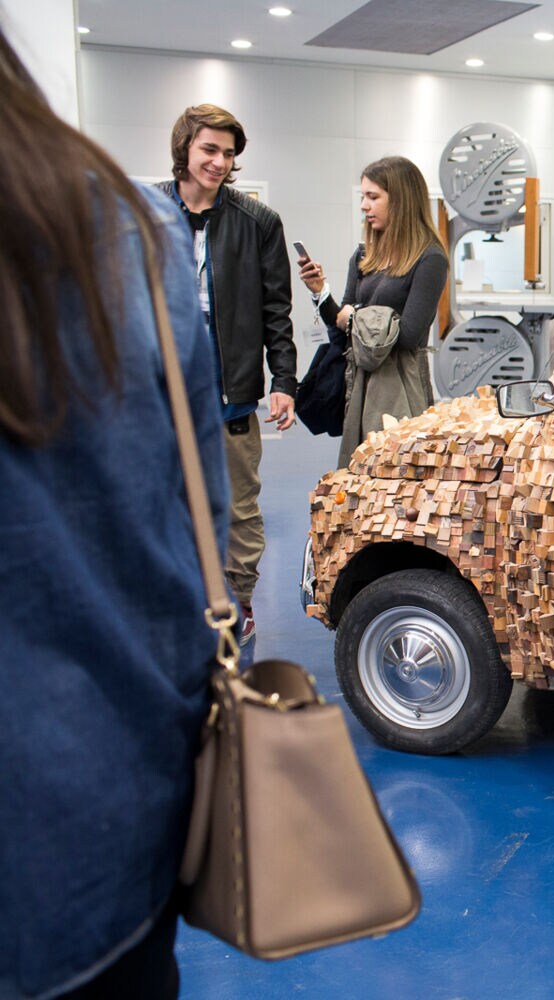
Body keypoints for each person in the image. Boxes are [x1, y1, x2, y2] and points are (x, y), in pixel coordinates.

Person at [0, 28, 229, 999]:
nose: (220, 163)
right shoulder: (135, 233)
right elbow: (194, 516)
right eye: (210, 148)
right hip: (124, 800)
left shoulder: (166, 236)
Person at [155, 104, 296, 650]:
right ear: (185, 147)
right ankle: (179, 600)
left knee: (239, 509)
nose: (219, 162)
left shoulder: (258, 222)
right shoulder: (148, 212)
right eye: (209, 149)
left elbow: (276, 310)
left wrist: (284, 380)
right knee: (166, 503)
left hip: (231, 393)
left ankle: (238, 604)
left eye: (228, 153)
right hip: (160, 393)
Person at [297, 155, 448, 468]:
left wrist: (353, 317)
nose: (364, 205)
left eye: (373, 197)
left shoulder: (430, 259)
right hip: (361, 380)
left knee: (400, 470)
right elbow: (339, 328)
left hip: (401, 384)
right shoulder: (365, 254)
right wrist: (320, 293)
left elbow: (407, 335)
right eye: (362, 197)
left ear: (402, 200)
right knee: (360, 473)